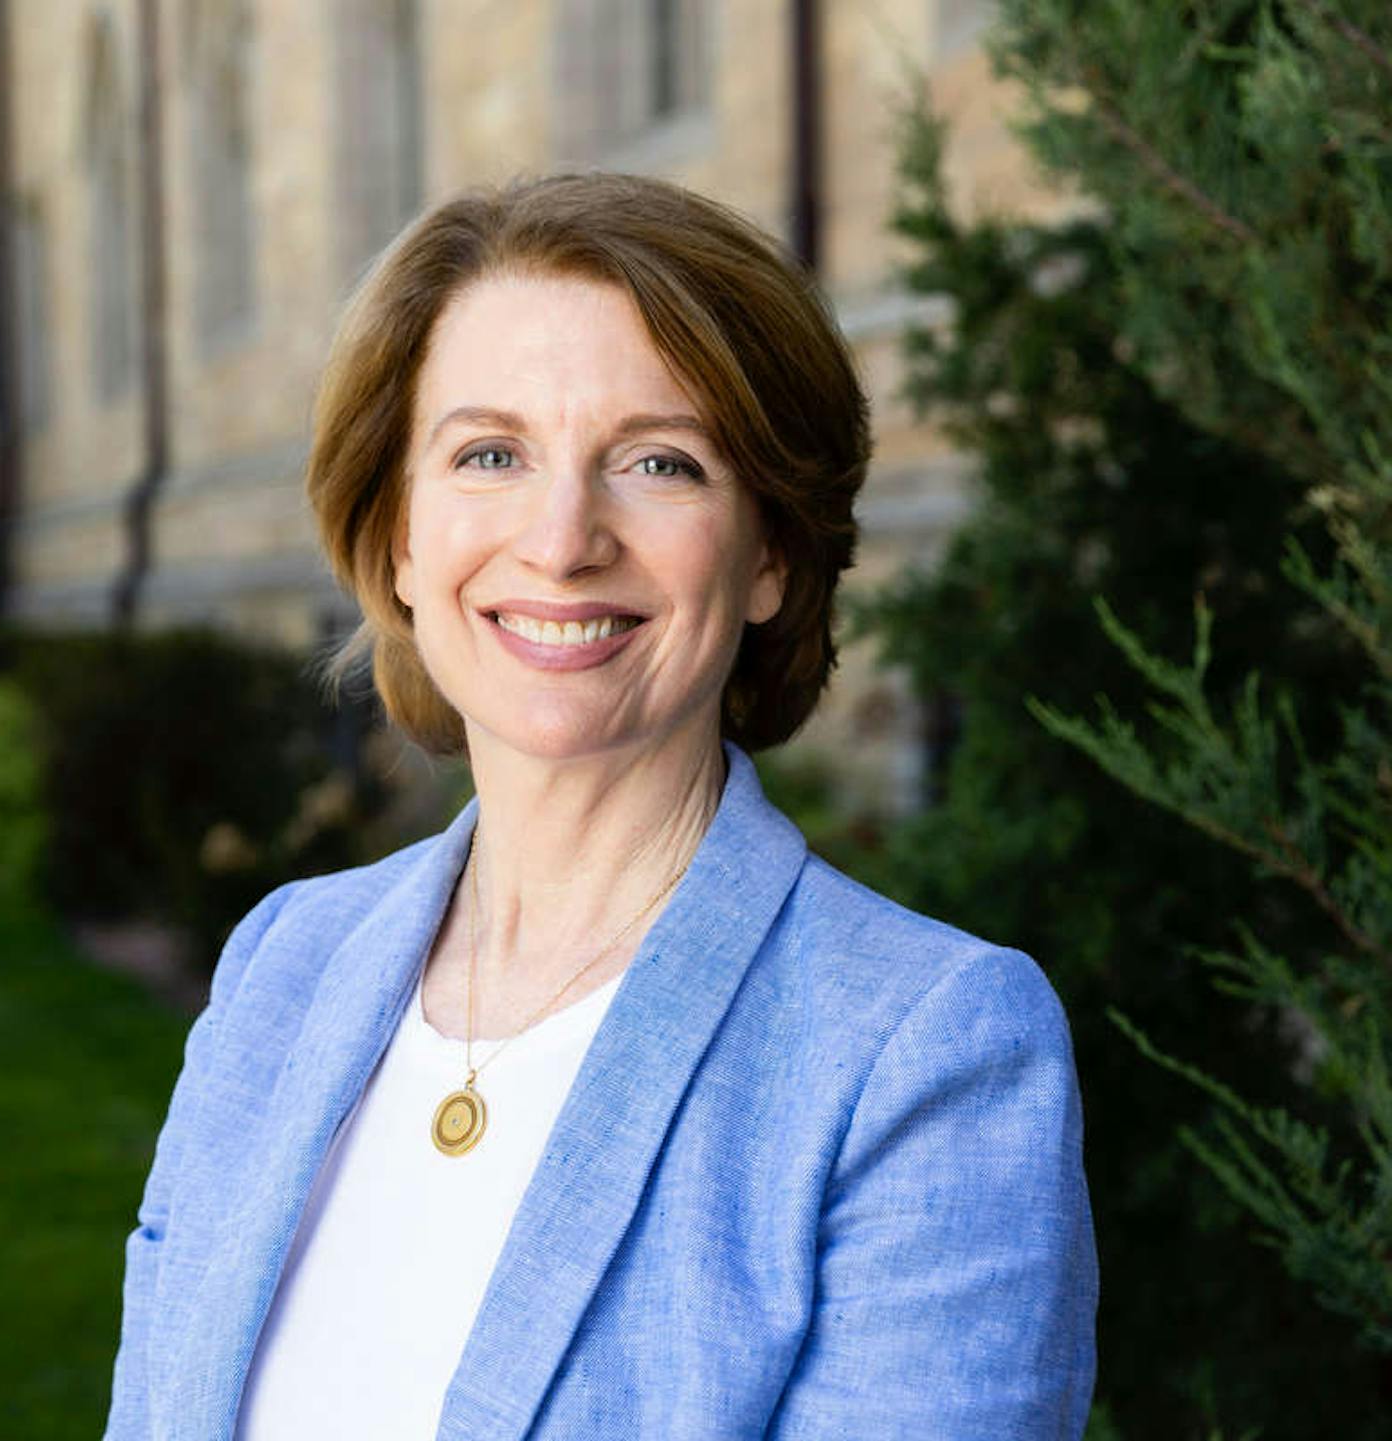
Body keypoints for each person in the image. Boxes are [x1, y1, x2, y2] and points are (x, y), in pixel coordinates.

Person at [105, 173, 1097, 1440]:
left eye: (659, 461)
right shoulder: (281, 966)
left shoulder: (925, 1057)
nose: (563, 538)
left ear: (771, 556)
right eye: (490, 454)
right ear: (402, 535)